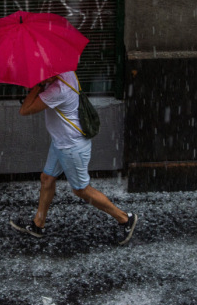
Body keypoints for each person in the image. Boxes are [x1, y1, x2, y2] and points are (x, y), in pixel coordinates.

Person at [9, 71, 138, 245]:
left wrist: (39, 85)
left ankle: (124, 218)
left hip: (71, 146)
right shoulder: (68, 73)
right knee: (47, 178)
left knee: (81, 189)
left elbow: (24, 110)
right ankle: (38, 224)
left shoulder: (58, 90)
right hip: (60, 142)